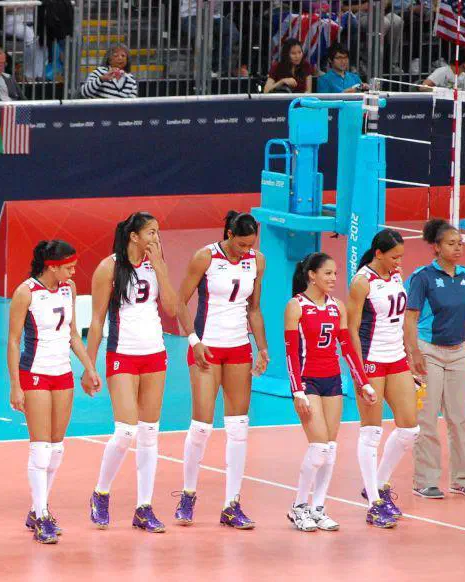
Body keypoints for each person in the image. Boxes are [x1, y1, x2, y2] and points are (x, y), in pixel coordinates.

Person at [86, 212, 207, 533]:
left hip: (154, 354)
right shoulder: (109, 267)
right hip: (122, 354)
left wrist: (162, 269)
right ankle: (100, 493)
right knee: (126, 431)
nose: (156, 238)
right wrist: (89, 365)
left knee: (150, 433)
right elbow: (96, 321)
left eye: (158, 232)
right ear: (134, 236)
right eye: (151, 232)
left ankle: (144, 507)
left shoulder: (156, 265)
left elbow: (171, 308)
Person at [174, 211, 268, 529]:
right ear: (229, 234)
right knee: (202, 426)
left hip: (239, 347)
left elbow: (254, 309)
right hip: (207, 347)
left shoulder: (257, 261)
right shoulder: (205, 257)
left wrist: (262, 348)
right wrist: (194, 341)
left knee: (239, 427)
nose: (245, 250)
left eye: (250, 245)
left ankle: (231, 504)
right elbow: (179, 302)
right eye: (241, 244)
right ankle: (188, 495)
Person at [7, 240, 99, 544]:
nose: (73, 272)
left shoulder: (68, 289)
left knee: (57, 449)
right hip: (35, 373)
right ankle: (42, 515)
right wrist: (15, 385)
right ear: (52, 266)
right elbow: (13, 341)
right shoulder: (26, 292)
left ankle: (37, 508)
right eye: (68, 267)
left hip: (62, 374)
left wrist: (89, 368)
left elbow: (72, 335)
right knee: (41, 448)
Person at [284, 252, 375, 533]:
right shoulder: (296, 306)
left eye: (335, 273)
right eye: (327, 273)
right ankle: (299, 507)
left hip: (332, 380)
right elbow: (291, 353)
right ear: (312, 275)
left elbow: (346, 348)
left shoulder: (338, 307)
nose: (334, 278)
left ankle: (318, 508)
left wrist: (363, 382)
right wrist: (297, 390)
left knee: (331, 448)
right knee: (319, 446)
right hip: (308, 381)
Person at [406, 219, 465, 499]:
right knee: (427, 419)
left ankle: (462, 479)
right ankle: (424, 481)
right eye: (452, 243)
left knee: (459, 419)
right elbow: (410, 318)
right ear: (436, 247)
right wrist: (413, 352)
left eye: (460, 243)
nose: (458, 248)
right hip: (429, 352)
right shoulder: (422, 277)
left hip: (459, 352)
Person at [346, 229, 414, 528]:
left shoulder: (396, 275)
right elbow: (351, 329)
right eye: (394, 256)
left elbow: (400, 319)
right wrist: (359, 373)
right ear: (379, 254)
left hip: (396, 358)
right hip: (371, 361)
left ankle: (378, 483)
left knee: (410, 429)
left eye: (401, 256)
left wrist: (410, 352)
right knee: (371, 432)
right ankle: (374, 504)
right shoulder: (362, 282)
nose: (399, 261)